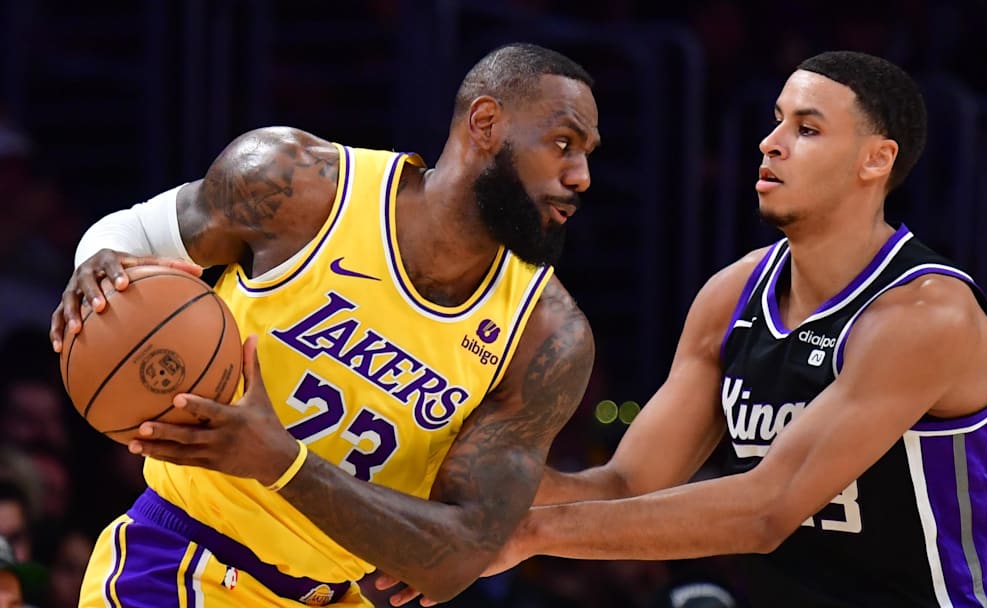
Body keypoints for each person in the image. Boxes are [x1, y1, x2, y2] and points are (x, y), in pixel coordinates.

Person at [404, 50, 987, 607]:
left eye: (806, 129)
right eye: (776, 121)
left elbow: (766, 510)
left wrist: (527, 534)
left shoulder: (927, 315)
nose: (770, 144)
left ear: (875, 160)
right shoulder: (733, 295)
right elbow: (625, 486)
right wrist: (448, 479)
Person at [49, 42, 599, 607]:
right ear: (485, 123)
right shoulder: (299, 183)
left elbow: (460, 555)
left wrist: (281, 464)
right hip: (181, 562)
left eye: (587, 155)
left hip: (333, 595)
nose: (580, 176)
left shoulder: (547, 337)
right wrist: (99, 264)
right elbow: (134, 234)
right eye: (563, 144)